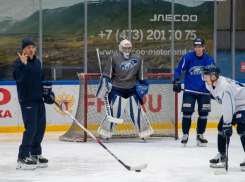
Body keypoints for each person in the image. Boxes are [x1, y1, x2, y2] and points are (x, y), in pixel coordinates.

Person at [96, 39, 153, 140]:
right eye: (125, 48)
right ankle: (106, 132)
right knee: (114, 113)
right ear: (120, 48)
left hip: (132, 89)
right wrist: (105, 83)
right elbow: (108, 74)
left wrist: (144, 84)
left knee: (137, 112)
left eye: (129, 48)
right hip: (117, 89)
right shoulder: (114, 57)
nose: (127, 50)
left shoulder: (138, 58)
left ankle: (144, 132)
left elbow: (142, 76)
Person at [13, 38, 55, 170]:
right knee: (31, 128)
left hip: (38, 99)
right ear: (23, 49)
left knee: (40, 128)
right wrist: (24, 65)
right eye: (28, 47)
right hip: (27, 99)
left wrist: (48, 93)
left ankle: (35, 153)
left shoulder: (37, 62)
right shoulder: (18, 62)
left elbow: (41, 79)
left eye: (33, 47)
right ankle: (22, 156)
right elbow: (18, 78)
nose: (31, 49)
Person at [200, 64, 245, 170]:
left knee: (242, 128)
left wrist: (228, 123)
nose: (204, 78)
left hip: (243, 104)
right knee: (221, 128)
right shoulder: (209, 84)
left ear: (214, 77)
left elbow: (228, 106)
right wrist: (215, 95)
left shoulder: (224, 86)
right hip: (235, 104)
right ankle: (222, 155)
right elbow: (226, 101)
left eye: (206, 76)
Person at [173, 38, 215, 147]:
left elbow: (214, 75)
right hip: (190, 91)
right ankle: (185, 134)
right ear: (194, 47)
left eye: (200, 47)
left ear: (203, 47)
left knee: (204, 114)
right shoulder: (188, 57)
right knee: (187, 113)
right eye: (196, 47)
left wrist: (214, 88)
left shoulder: (209, 60)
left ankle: (200, 135)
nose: (198, 49)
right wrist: (177, 80)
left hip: (204, 91)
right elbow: (178, 70)